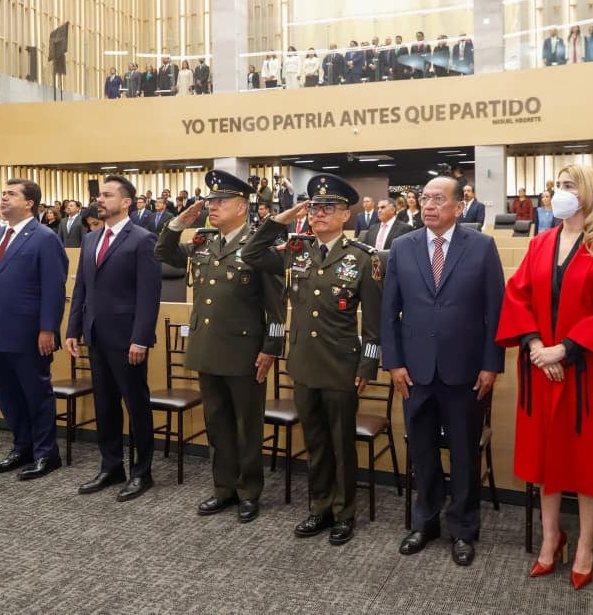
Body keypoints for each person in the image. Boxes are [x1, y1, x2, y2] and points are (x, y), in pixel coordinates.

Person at [496, 165, 593, 590]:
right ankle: (550, 538)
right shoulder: (541, 242)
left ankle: (585, 545)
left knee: (587, 460)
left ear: (587, 193)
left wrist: (566, 349)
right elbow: (517, 295)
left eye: (568, 186)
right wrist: (537, 345)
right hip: (541, 368)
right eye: (558, 186)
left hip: (589, 372)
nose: (559, 192)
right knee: (545, 457)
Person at [243, 174, 382, 546]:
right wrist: (282, 219)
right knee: (315, 441)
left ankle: (344, 513)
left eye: (328, 208)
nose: (319, 214)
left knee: (341, 444)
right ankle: (319, 508)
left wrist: (367, 366)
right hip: (303, 363)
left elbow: (374, 324)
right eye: (315, 207)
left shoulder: (362, 258)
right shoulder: (297, 249)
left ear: (345, 215)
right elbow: (251, 254)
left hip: (341, 366)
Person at [382, 175, 505, 567]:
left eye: (438, 199)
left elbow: (496, 312)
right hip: (415, 371)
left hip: (465, 371)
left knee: (465, 453)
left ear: (458, 206)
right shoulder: (402, 247)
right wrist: (394, 363)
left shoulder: (481, 247)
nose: (429, 205)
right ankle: (426, 522)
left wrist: (491, 365)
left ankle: (464, 529)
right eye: (425, 198)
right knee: (422, 451)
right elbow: (389, 312)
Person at [155, 170, 286, 522]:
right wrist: (177, 223)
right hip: (207, 347)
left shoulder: (259, 245)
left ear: (241, 206)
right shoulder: (204, 241)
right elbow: (164, 252)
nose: (212, 206)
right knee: (217, 423)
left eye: (220, 201)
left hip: (245, 351)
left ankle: (249, 491)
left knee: (247, 425)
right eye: (211, 201)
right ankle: (223, 488)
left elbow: (276, 305)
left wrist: (271, 348)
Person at [66, 175, 161, 502]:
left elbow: (149, 295)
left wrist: (141, 339)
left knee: (136, 406)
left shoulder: (143, 239)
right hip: (95, 334)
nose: (100, 199)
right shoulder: (92, 238)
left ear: (126, 202)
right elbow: (81, 288)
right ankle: (111, 466)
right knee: (105, 405)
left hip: (127, 338)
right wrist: (73, 329)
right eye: (100, 195)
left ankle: (142, 471)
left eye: (108, 195)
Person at [0, 178, 68, 480]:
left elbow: (54, 288)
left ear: (29, 203)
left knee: (36, 394)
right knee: (7, 395)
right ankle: (22, 447)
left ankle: (46, 453)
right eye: (3, 193)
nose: (3, 198)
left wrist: (48, 329)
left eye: (11, 194)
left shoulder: (45, 238)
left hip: (28, 332)